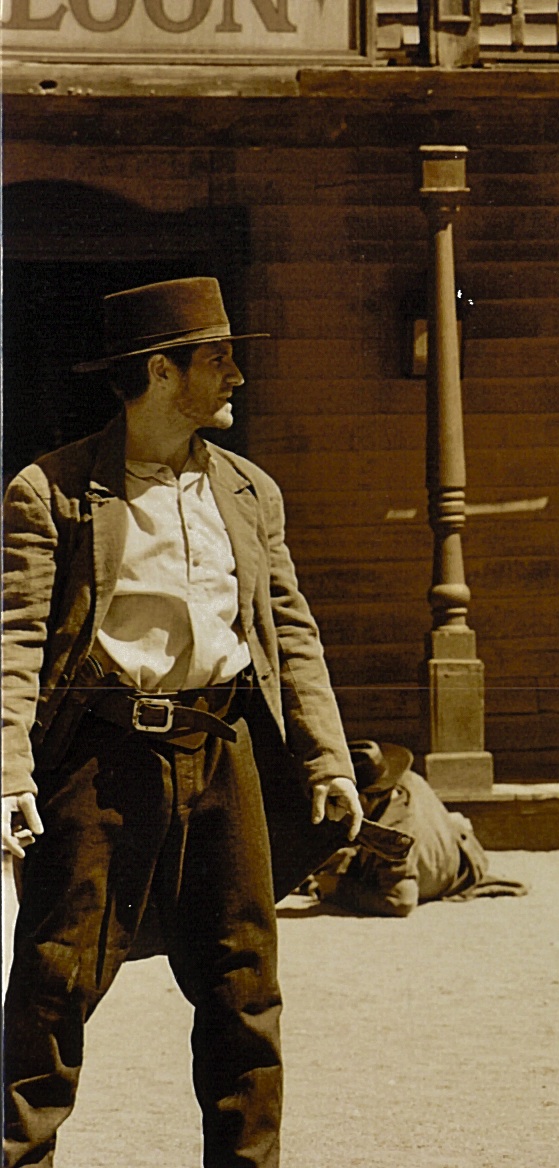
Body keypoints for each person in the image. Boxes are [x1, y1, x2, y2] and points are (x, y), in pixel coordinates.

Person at [2, 277, 364, 1168]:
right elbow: (11, 641)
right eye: (219, 358)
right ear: (162, 372)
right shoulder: (51, 493)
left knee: (245, 988)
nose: (237, 375)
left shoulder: (248, 491)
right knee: (54, 983)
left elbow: (292, 631)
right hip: (103, 758)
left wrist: (329, 760)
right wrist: (9, 771)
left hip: (224, 748)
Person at [307, 740, 526, 916]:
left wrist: (337, 889)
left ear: (363, 798)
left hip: (453, 874)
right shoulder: (408, 780)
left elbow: (401, 900)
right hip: (460, 851)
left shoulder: (392, 838)